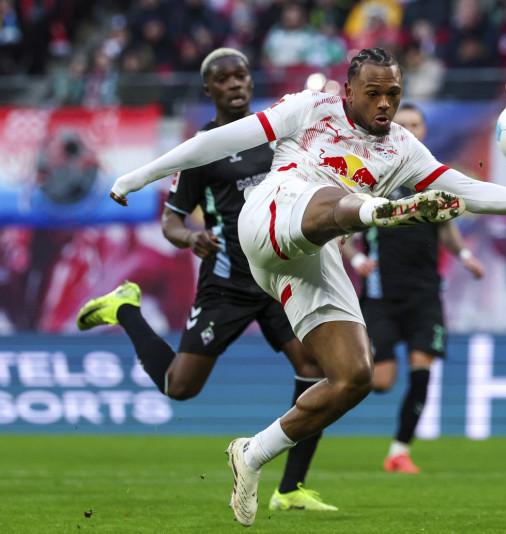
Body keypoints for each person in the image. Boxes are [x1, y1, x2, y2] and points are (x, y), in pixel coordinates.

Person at [107, 47, 506, 527]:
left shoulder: (403, 149)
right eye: (373, 93)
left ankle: (252, 454)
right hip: (271, 214)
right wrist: (140, 176)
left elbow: (470, 191)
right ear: (348, 91)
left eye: (393, 94)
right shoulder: (311, 108)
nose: (385, 104)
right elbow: (218, 141)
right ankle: (377, 211)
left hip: (309, 256)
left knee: (353, 377)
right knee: (336, 200)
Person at [75, 47, 337, 512]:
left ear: (251, 82)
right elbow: (171, 220)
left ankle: (290, 488)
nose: (235, 83)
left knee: (314, 368)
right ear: (208, 89)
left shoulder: (278, 133)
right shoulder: (201, 148)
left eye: (241, 75)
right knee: (180, 386)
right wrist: (191, 237)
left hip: (279, 275)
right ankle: (125, 308)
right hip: (227, 281)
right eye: (224, 78)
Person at [342, 103, 484, 473]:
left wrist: (464, 255)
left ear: (423, 130)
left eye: (415, 123)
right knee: (382, 381)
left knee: (422, 370)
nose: (408, 129)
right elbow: (345, 232)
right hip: (381, 296)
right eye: (401, 123)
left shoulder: (434, 178)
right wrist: (357, 260)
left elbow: (445, 227)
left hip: (424, 295)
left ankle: (399, 452)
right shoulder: (371, 176)